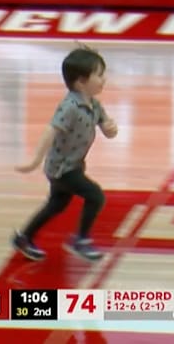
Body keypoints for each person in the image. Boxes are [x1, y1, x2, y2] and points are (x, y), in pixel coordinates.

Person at [13, 45, 118, 262]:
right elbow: (51, 130)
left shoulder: (94, 104)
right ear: (81, 82)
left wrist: (110, 128)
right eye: (99, 75)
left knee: (57, 204)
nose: (104, 79)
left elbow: (107, 127)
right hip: (62, 169)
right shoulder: (69, 106)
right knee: (95, 196)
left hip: (74, 165)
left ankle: (24, 238)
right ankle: (81, 240)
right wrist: (34, 161)